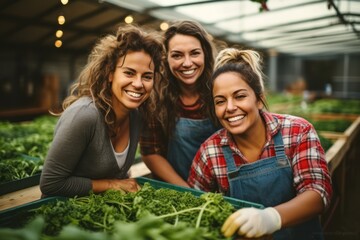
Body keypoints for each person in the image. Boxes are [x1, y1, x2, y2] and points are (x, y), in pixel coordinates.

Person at [187, 48, 333, 239]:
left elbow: (318, 193)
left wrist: (271, 218)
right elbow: (193, 207)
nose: (230, 108)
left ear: (259, 100)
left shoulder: (297, 131)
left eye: (240, 96)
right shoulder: (210, 151)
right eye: (220, 101)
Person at [40, 24, 164, 197]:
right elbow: (51, 183)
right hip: (63, 215)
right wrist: (113, 185)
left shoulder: (136, 116)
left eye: (147, 76)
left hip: (103, 214)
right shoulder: (84, 115)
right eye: (129, 73)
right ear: (110, 73)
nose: (138, 83)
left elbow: (118, 173)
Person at [139, 20, 220, 187]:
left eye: (195, 53)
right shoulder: (154, 98)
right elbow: (150, 153)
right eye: (177, 55)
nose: (187, 63)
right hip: (178, 190)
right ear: (166, 58)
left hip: (224, 188)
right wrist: (189, 191)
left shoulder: (221, 89)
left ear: (205, 53)